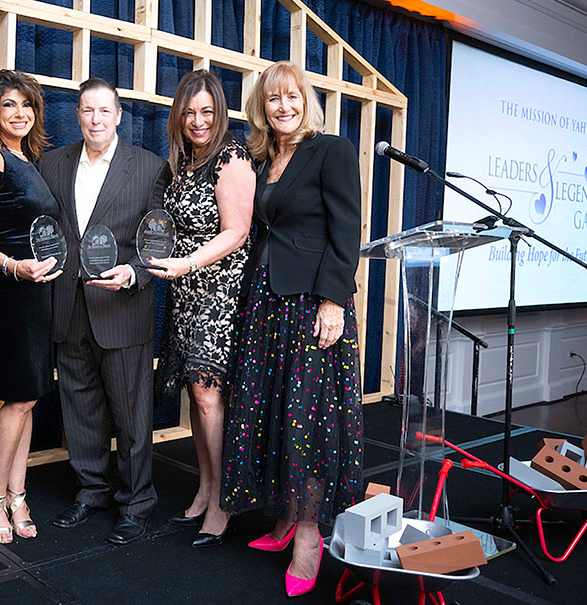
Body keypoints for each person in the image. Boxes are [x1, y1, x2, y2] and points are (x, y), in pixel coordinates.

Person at [220, 61, 363, 598]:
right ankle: (282, 518)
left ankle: (308, 536)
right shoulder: (263, 157)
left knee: (307, 419)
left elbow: (346, 229)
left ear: (307, 101)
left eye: (292, 97)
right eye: (273, 99)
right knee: (274, 411)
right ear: (262, 106)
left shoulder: (332, 150)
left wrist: (333, 300)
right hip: (265, 302)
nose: (283, 107)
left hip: (310, 304)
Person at [38, 78, 171, 545]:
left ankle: (136, 503)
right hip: (68, 305)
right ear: (77, 115)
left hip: (123, 307)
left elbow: (158, 243)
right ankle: (91, 490)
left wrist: (134, 273)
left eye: (104, 111)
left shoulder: (151, 168)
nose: (95, 119)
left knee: (132, 415)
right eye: (86, 111)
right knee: (79, 408)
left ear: (118, 117)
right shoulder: (51, 164)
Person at [148, 69, 254, 547]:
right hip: (184, 287)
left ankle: (224, 499)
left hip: (221, 287)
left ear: (220, 112)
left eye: (207, 111)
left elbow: (237, 232)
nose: (198, 120)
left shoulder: (231, 155)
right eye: (189, 111)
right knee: (196, 396)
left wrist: (188, 262)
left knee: (209, 394)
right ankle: (206, 485)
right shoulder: (183, 161)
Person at [0, 69, 61, 544]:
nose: (19, 114)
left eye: (26, 105)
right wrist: (13, 268)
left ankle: (18, 493)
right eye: (9, 105)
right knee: (18, 395)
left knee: (28, 396)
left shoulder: (29, 158)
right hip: (5, 290)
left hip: (35, 290)